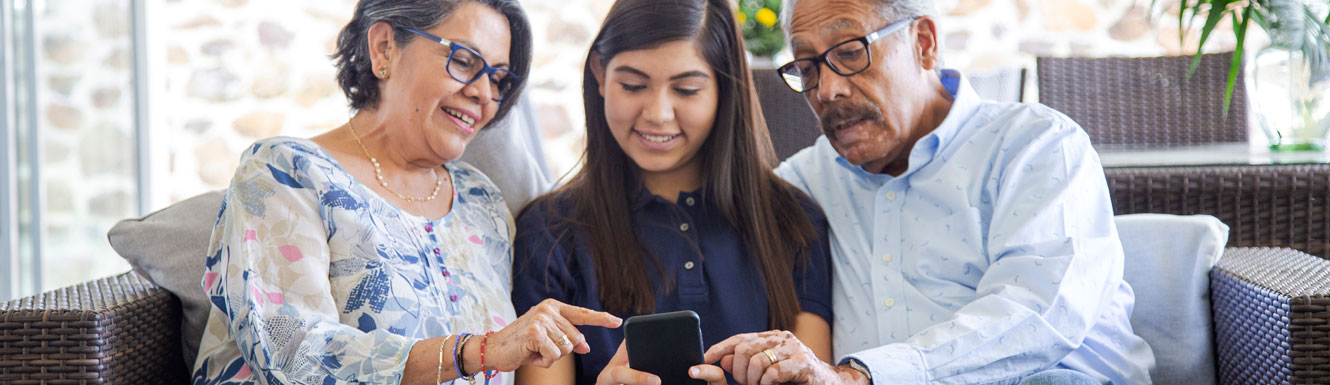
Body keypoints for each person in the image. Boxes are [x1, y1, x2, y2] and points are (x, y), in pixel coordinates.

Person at [702, 0, 1157, 384]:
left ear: (923, 43)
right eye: (807, 67)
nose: (827, 89)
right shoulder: (805, 182)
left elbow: (1039, 315)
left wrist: (859, 376)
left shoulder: (1036, 144)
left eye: (849, 52)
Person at [191, 1, 622, 384]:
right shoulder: (285, 172)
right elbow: (291, 355)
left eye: (499, 79)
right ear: (384, 48)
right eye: (465, 61)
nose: (484, 93)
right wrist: (476, 352)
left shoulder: (482, 203)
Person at [509, 0, 834, 384]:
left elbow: (812, 375)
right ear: (599, 72)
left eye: (686, 89)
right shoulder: (550, 231)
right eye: (632, 85)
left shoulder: (793, 222)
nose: (658, 113)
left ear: (725, 85)